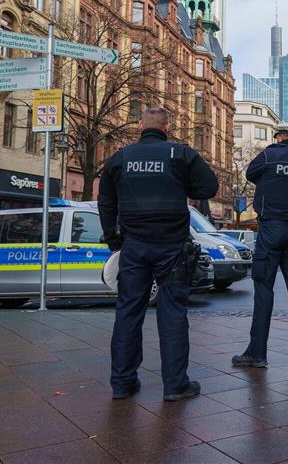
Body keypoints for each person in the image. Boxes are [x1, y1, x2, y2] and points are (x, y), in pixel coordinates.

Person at [98, 106, 218, 401]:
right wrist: (182, 183)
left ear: (141, 126)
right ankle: (176, 386)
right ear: (167, 127)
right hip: (172, 246)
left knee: (128, 312)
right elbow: (210, 186)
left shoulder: (121, 158)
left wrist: (114, 240)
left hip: (134, 246)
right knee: (173, 313)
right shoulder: (180, 154)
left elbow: (106, 201)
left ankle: (122, 383)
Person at [233, 123, 288, 369]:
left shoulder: (268, 155)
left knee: (264, 290)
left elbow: (250, 174)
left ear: (279, 137)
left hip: (270, 229)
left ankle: (257, 353)